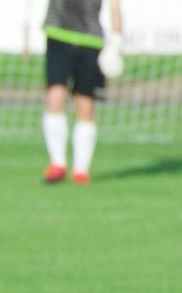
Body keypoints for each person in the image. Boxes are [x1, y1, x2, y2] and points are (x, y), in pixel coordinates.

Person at [41, 0, 123, 185]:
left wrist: (116, 43)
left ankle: (81, 170)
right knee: (55, 97)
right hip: (59, 34)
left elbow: (115, 7)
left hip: (90, 41)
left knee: (85, 106)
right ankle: (58, 164)